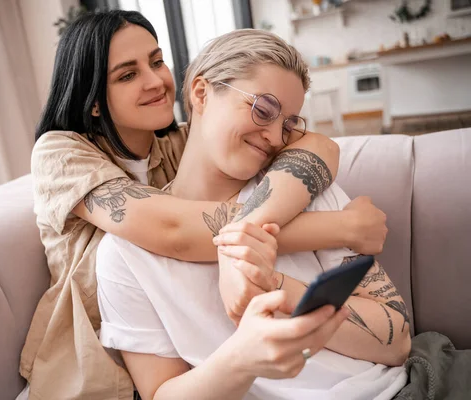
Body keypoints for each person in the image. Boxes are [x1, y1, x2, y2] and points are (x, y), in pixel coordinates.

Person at [21, 10, 389, 400]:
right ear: (93, 101)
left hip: (184, 360)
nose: (155, 81)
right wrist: (340, 227)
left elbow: (318, 146)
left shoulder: (179, 144)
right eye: (127, 75)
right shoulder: (60, 153)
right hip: (95, 371)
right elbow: (174, 232)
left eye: (157, 61)